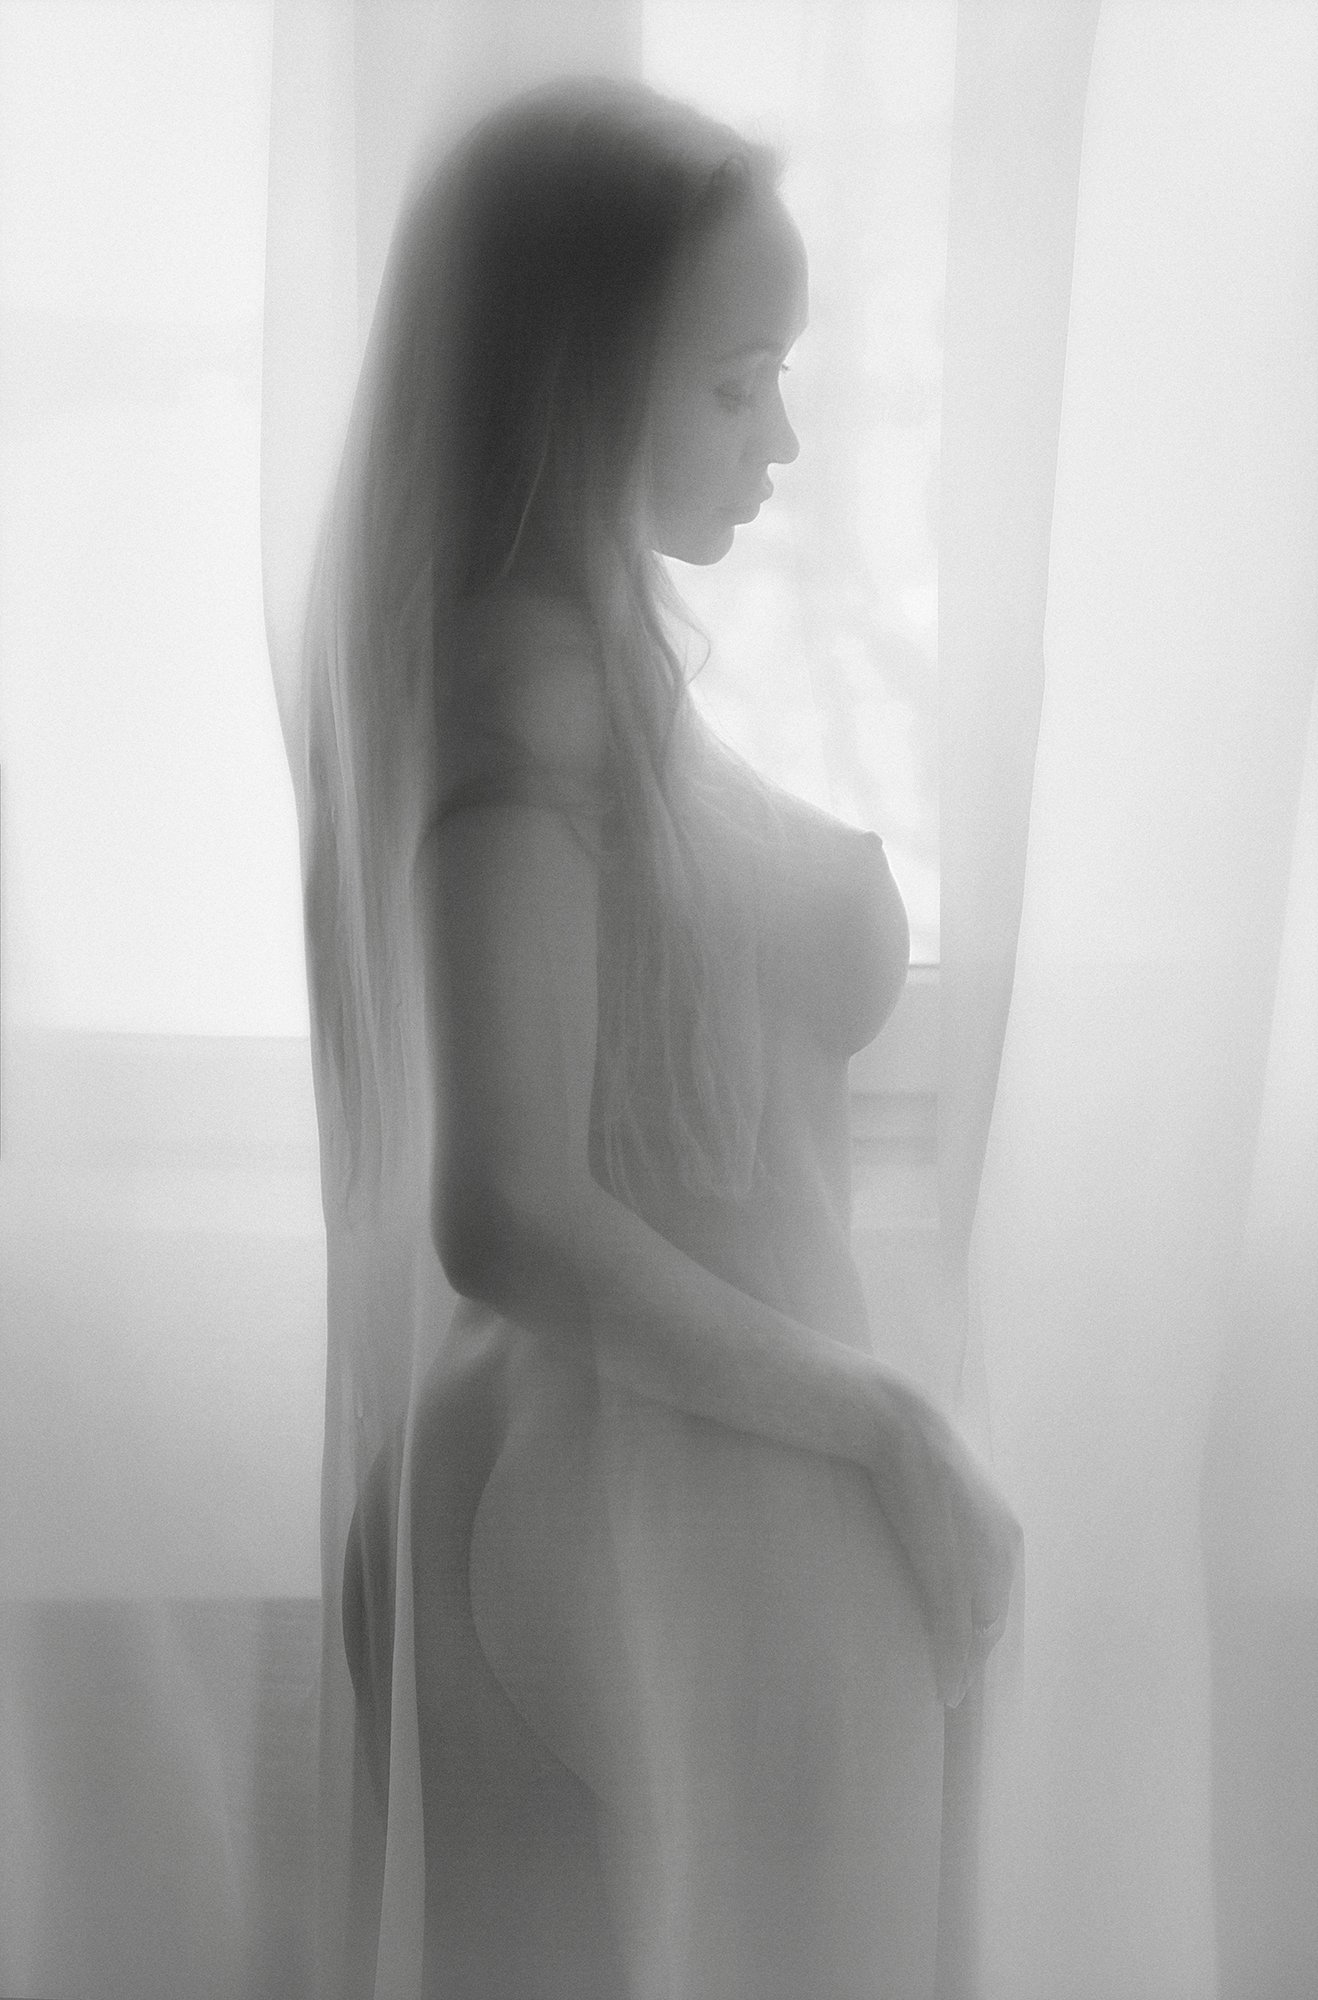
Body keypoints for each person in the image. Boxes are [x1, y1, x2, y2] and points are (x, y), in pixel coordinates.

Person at [289, 74, 1020, 2000]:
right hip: (685, 1509)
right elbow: (509, 1208)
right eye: (733, 383)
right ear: (575, 383)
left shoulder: (556, 675)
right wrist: (881, 1420)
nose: (781, 438)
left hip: (561, 1488)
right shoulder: (533, 687)